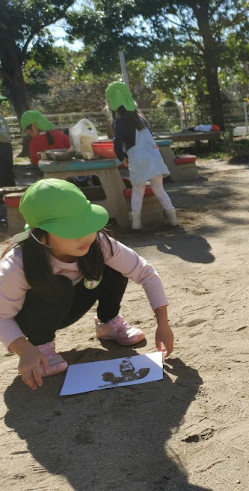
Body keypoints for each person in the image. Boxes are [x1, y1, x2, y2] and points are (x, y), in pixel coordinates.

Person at [0, 179, 174, 391]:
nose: (84, 236)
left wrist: (162, 323)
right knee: (59, 285)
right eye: (71, 230)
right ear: (42, 237)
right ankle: (42, 345)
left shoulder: (99, 243)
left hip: (74, 301)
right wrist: (24, 349)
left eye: (86, 225)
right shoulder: (16, 265)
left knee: (114, 265)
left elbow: (145, 272)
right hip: (37, 316)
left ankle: (108, 322)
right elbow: (2, 315)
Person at [105, 82, 178, 230]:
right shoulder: (141, 119)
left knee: (138, 191)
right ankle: (172, 218)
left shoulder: (119, 122)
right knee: (159, 189)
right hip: (154, 156)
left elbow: (117, 144)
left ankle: (136, 223)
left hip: (138, 160)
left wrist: (122, 158)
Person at [0, 95, 16, 187]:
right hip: (2, 145)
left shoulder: (1, 116)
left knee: (7, 170)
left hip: (6, 145)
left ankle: (9, 192)